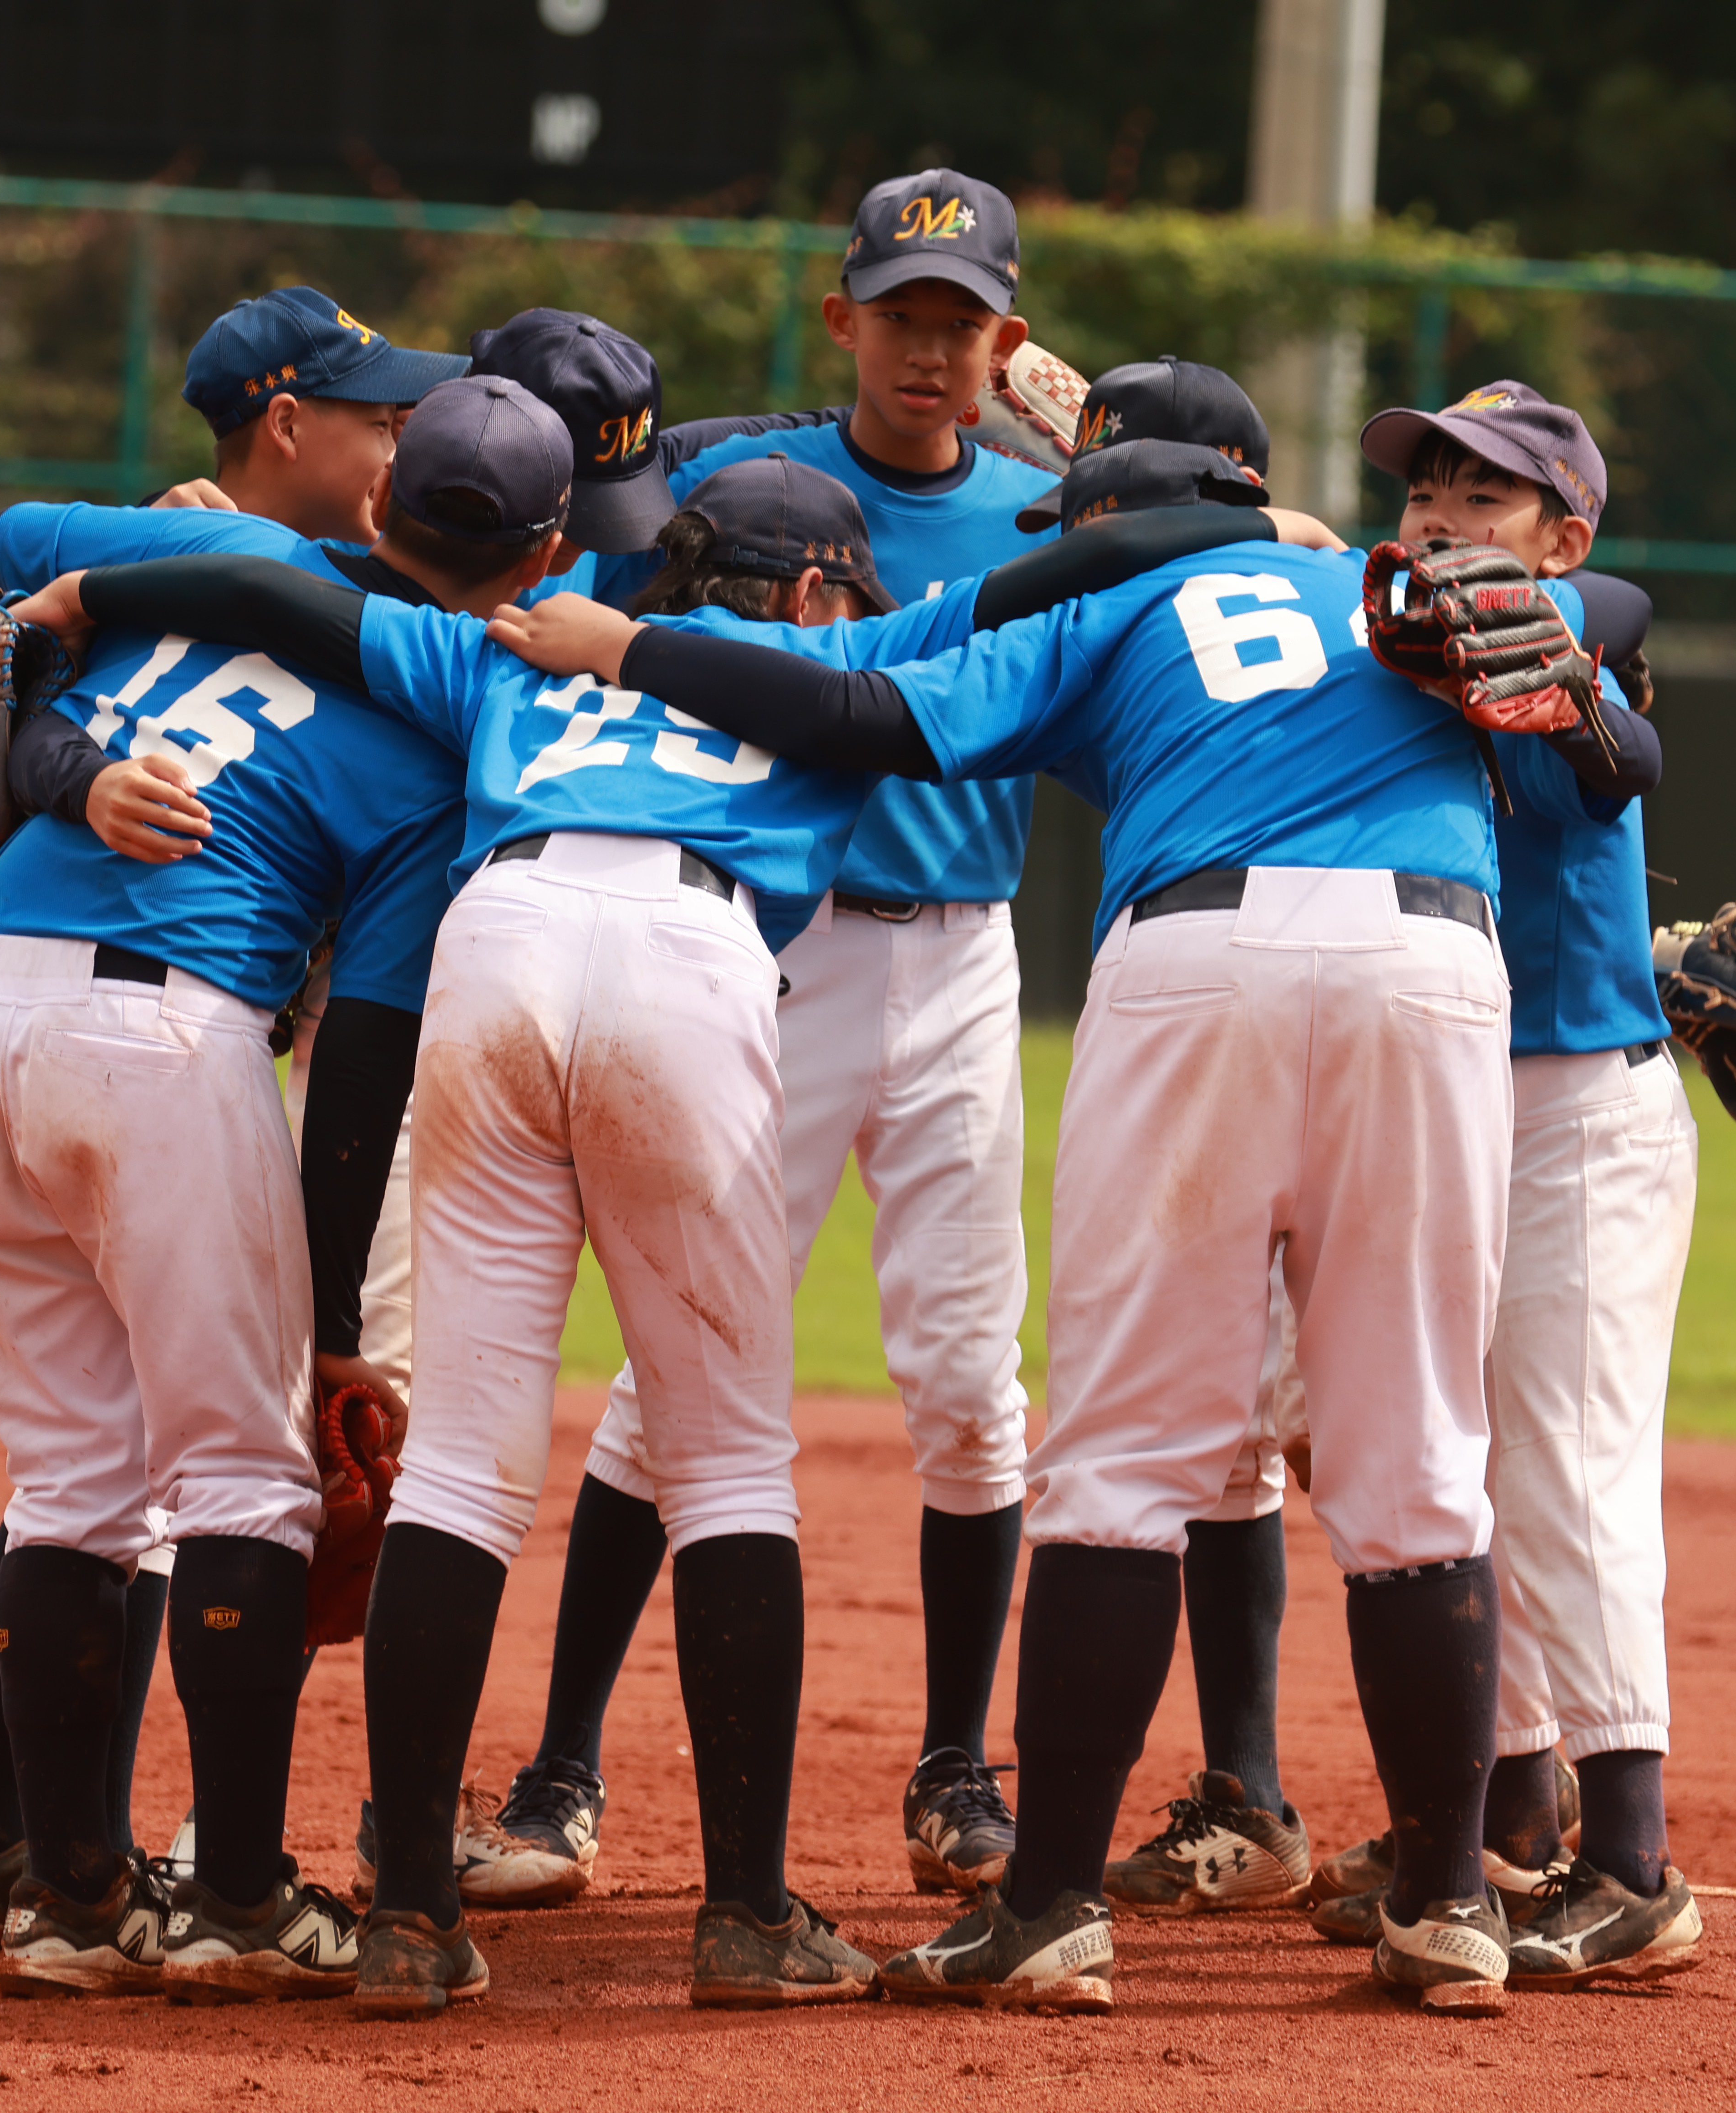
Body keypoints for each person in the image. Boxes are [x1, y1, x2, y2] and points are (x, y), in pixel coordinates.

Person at [12, 407, 1323, 2014]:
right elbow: (1088, 562)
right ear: (821, 592)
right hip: (684, 963)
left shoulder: (516, 649)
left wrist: (93, 604)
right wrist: (1270, 534)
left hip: (494, 952)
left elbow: (290, 601)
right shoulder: (855, 648)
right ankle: (750, 1912)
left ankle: (413, 1916)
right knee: (727, 1464)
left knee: (471, 1470)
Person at [490, 430, 1554, 2015]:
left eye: (1077, 524)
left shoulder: (1113, 607)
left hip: (1205, 961)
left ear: (1127, 525)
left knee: (1122, 1455)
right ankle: (1454, 1901)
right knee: (1416, 1456)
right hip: (1435, 965)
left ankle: (1050, 1906)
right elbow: (1586, 734)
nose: (1052, 549)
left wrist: (636, 646)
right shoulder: (1395, 590)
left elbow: (867, 709)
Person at [481, 165, 1067, 1909]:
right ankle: (561, 1770)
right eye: (901, 314)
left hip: (962, 958)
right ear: (846, 320)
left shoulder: (1047, 519)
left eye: (962, 323)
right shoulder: (740, 485)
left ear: (1003, 342)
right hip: (767, 955)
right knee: (682, 1371)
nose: (928, 349)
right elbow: (561, 464)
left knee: (971, 1386)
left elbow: (1214, 538)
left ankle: (961, 1764)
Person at [0, 285, 465, 1958]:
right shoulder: (423, 710)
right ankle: (235, 1898)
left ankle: (70, 1903)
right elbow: (364, 1055)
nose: (394, 442)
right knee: (241, 1479)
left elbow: (24, 615)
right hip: (162, 1031)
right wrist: (343, 1327)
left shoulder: (172, 608)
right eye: (378, 417)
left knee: (75, 1475)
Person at [1299, 383, 1702, 1991]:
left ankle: (1636, 1859)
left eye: (1491, 496)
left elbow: (1611, 748)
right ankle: (1502, 1813)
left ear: (1566, 535)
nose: (1445, 516)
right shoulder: (1375, 634)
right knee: (1420, 1455)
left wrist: (1576, 679)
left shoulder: (1563, 656)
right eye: (1428, 489)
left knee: (1571, 1475)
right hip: (1436, 1093)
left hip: (1577, 1114)